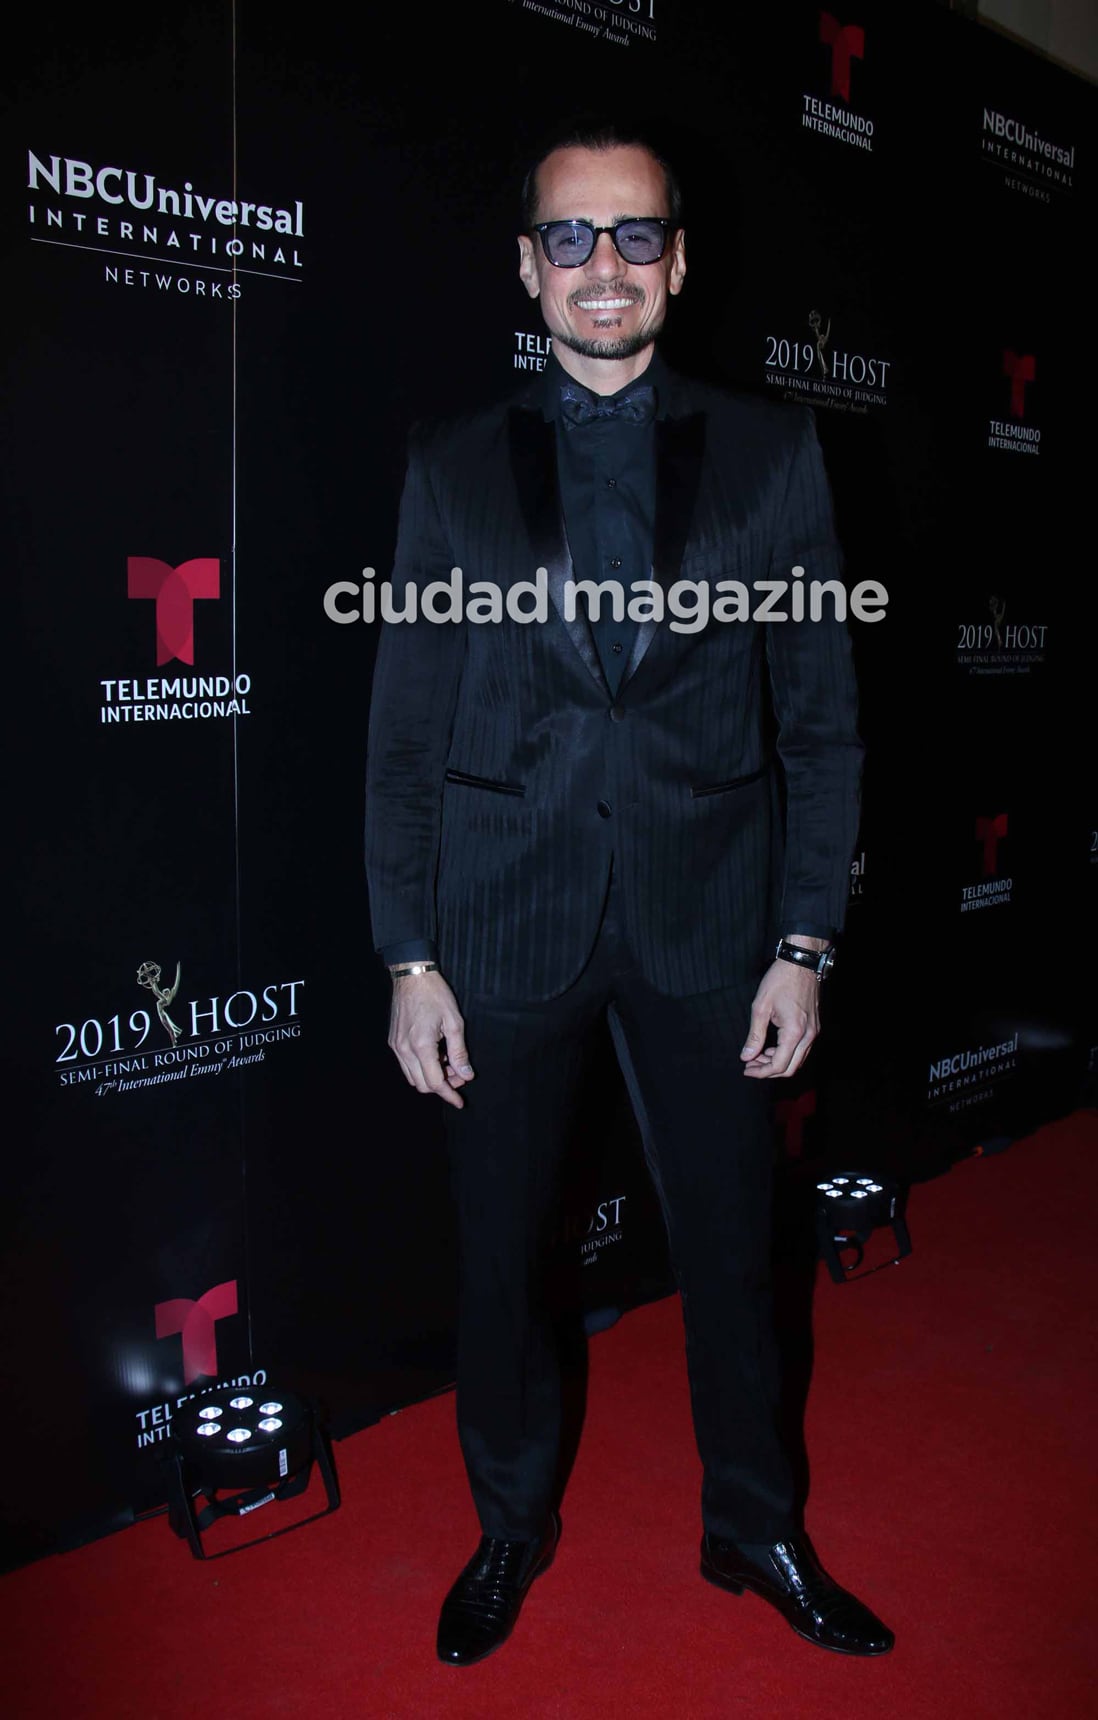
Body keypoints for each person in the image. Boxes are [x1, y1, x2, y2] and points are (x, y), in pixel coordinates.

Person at [364, 121, 893, 1666]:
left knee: (733, 1251)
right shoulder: (450, 464)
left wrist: (803, 942)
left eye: (635, 236)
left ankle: (755, 1529)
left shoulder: (771, 451)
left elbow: (819, 721)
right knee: (500, 1259)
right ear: (526, 266)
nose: (606, 267)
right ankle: (508, 1526)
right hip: (503, 927)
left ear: (679, 259)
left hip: (709, 931)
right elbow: (403, 726)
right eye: (573, 239)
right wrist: (407, 954)